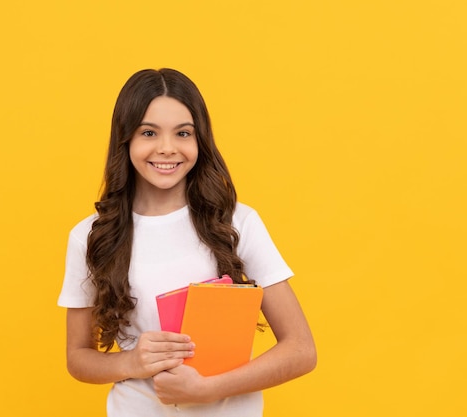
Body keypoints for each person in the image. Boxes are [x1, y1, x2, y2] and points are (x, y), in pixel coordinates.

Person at [58, 68, 316, 416]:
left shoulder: (237, 223)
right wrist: (132, 361)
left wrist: (208, 390)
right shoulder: (90, 236)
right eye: (148, 132)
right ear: (126, 140)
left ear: (200, 141)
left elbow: (301, 350)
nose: (167, 148)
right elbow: (78, 358)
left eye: (183, 133)